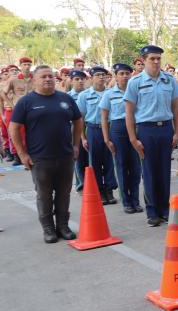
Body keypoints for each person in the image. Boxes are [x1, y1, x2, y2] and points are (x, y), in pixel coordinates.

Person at [9, 65, 83, 243]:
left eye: (50, 76)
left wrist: (75, 145)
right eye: (43, 77)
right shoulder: (26, 102)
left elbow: (78, 120)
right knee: (44, 195)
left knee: (64, 193)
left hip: (65, 156)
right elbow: (14, 128)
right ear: (35, 80)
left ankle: (63, 226)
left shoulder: (65, 99)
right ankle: (48, 228)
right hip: (40, 158)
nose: (48, 79)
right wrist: (22, 154)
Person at [125, 45, 178, 227]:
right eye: (152, 59)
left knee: (164, 171)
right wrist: (133, 139)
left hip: (165, 129)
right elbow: (129, 113)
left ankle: (164, 209)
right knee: (149, 172)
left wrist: (177, 132)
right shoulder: (135, 82)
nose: (156, 62)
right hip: (146, 130)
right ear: (143, 60)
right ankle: (152, 212)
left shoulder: (169, 80)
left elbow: (175, 108)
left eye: (158, 58)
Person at [100, 63, 142, 214]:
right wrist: (106, 139)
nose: (125, 76)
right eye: (121, 73)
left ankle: (136, 200)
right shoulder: (109, 94)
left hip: (136, 129)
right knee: (122, 166)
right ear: (116, 76)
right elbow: (104, 118)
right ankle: (127, 202)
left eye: (127, 73)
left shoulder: (136, 92)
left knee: (136, 168)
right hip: (118, 130)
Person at [77, 66, 119, 205]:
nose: (101, 77)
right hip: (93, 130)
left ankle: (109, 189)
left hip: (109, 128)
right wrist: (83, 137)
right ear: (91, 78)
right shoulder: (84, 95)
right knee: (94, 162)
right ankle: (99, 191)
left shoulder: (112, 93)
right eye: (98, 75)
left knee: (109, 161)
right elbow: (81, 118)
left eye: (104, 75)